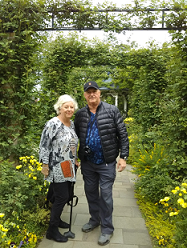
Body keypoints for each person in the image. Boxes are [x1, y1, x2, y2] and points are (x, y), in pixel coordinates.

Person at [74, 81, 129, 246]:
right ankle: (94, 219)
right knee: (90, 192)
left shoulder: (112, 110)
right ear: (85, 95)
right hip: (88, 163)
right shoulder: (80, 114)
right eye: (88, 92)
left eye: (94, 91)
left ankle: (107, 228)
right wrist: (74, 157)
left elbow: (123, 135)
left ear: (99, 93)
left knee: (105, 196)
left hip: (106, 162)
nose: (91, 94)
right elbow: (74, 137)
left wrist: (123, 157)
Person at [39, 94, 79, 243]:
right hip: (56, 166)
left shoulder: (72, 124)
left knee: (65, 195)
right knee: (62, 196)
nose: (69, 109)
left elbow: (72, 144)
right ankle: (52, 230)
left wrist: (75, 159)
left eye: (71, 107)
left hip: (68, 166)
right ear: (59, 108)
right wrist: (44, 164)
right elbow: (44, 145)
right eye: (66, 106)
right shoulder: (53, 123)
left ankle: (57, 219)